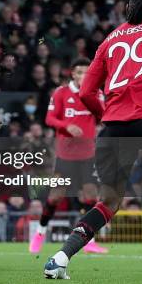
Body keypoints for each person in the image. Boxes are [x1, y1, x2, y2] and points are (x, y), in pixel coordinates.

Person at [45, 0, 142, 279]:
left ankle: (60, 258)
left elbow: (88, 91)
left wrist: (109, 117)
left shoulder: (110, 39)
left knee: (109, 202)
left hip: (114, 128)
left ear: (129, 6)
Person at [29, 58, 108, 254]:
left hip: (88, 155)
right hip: (65, 156)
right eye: (80, 72)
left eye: (87, 72)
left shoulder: (96, 93)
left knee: (90, 196)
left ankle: (88, 240)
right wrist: (66, 126)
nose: (83, 75)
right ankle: (39, 233)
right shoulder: (61, 93)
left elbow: (103, 116)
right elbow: (49, 118)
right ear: (72, 73)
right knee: (55, 197)